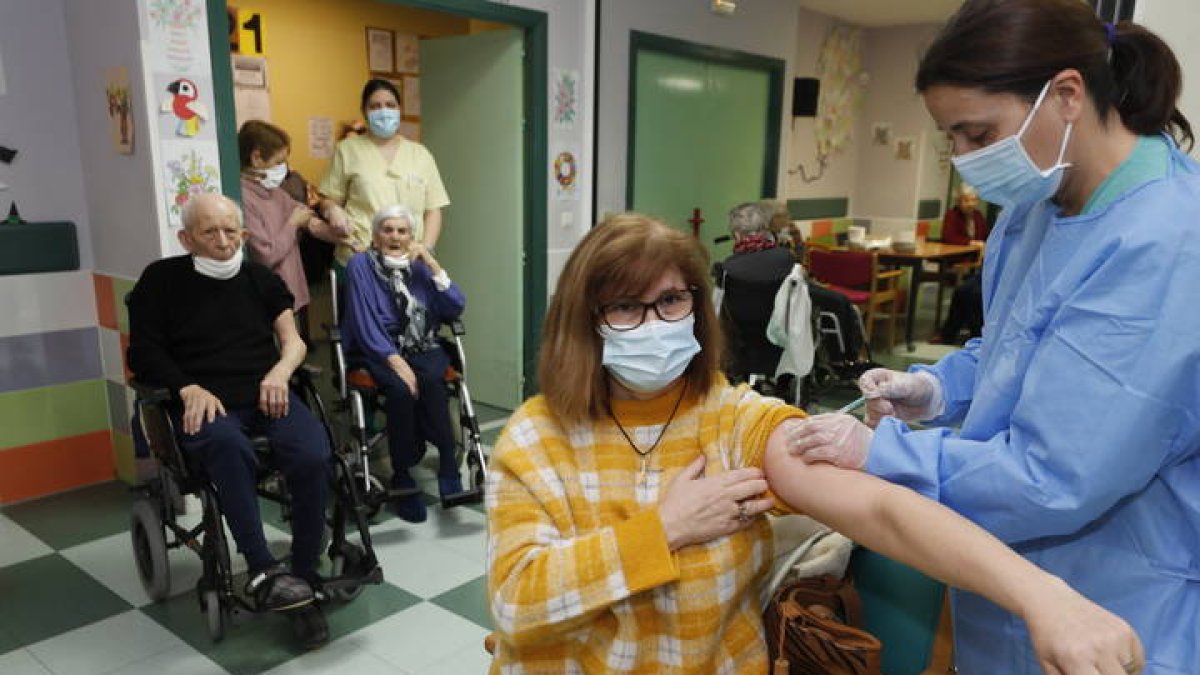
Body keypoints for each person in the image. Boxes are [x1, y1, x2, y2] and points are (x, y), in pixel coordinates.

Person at [485, 212, 1142, 673]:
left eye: (671, 301)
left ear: (698, 305)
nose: (653, 323)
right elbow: (515, 602)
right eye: (625, 308)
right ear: (586, 323)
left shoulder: (729, 417)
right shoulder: (537, 437)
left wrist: (1042, 595)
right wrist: (664, 529)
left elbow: (881, 511)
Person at [790, 1, 1197, 672]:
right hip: (1003, 585)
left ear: (1066, 95)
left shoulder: (1165, 243)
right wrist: (933, 389)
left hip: (1118, 597)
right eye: (952, 137)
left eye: (979, 134)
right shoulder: (1036, 207)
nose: (963, 159)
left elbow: (1057, 473)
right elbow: (1013, 349)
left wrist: (885, 454)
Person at [127, 193, 330, 647]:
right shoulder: (160, 281)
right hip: (204, 401)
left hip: (265, 393)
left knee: (313, 451)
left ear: (243, 233)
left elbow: (293, 341)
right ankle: (261, 568)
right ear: (186, 237)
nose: (222, 240)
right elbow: (143, 352)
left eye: (230, 230)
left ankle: (303, 570)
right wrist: (186, 387)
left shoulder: (261, 279)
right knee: (228, 448)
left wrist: (280, 371)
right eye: (209, 231)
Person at [340, 204, 466, 523]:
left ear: (412, 237)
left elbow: (454, 307)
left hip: (422, 343)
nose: (395, 237)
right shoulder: (359, 266)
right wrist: (396, 361)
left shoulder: (419, 266)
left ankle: (448, 466)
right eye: (388, 230)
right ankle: (403, 473)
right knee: (399, 389)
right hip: (378, 345)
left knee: (432, 380)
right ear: (376, 235)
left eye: (402, 231)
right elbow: (365, 321)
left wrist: (432, 263)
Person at [319, 79, 450, 264]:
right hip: (361, 256)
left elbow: (433, 209)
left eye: (390, 105)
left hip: (410, 259)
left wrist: (425, 249)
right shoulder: (347, 150)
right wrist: (332, 209)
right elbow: (329, 198)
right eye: (375, 106)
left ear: (399, 110)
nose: (384, 111)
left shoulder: (420, 154)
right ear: (365, 112)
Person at [238, 120, 347, 341]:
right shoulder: (244, 198)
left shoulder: (274, 192)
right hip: (268, 299)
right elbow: (265, 256)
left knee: (294, 349)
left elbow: (307, 218)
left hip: (290, 292)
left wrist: (340, 234)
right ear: (256, 158)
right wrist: (292, 224)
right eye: (279, 161)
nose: (285, 168)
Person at [931, 183, 987, 344]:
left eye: (974, 200)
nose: (971, 204)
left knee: (967, 292)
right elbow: (949, 238)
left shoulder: (978, 216)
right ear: (959, 201)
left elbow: (987, 236)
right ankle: (951, 334)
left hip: (978, 264)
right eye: (967, 200)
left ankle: (965, 334)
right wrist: (971, 242)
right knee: (964, 291)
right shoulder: (952, 215)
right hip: (958, 262)